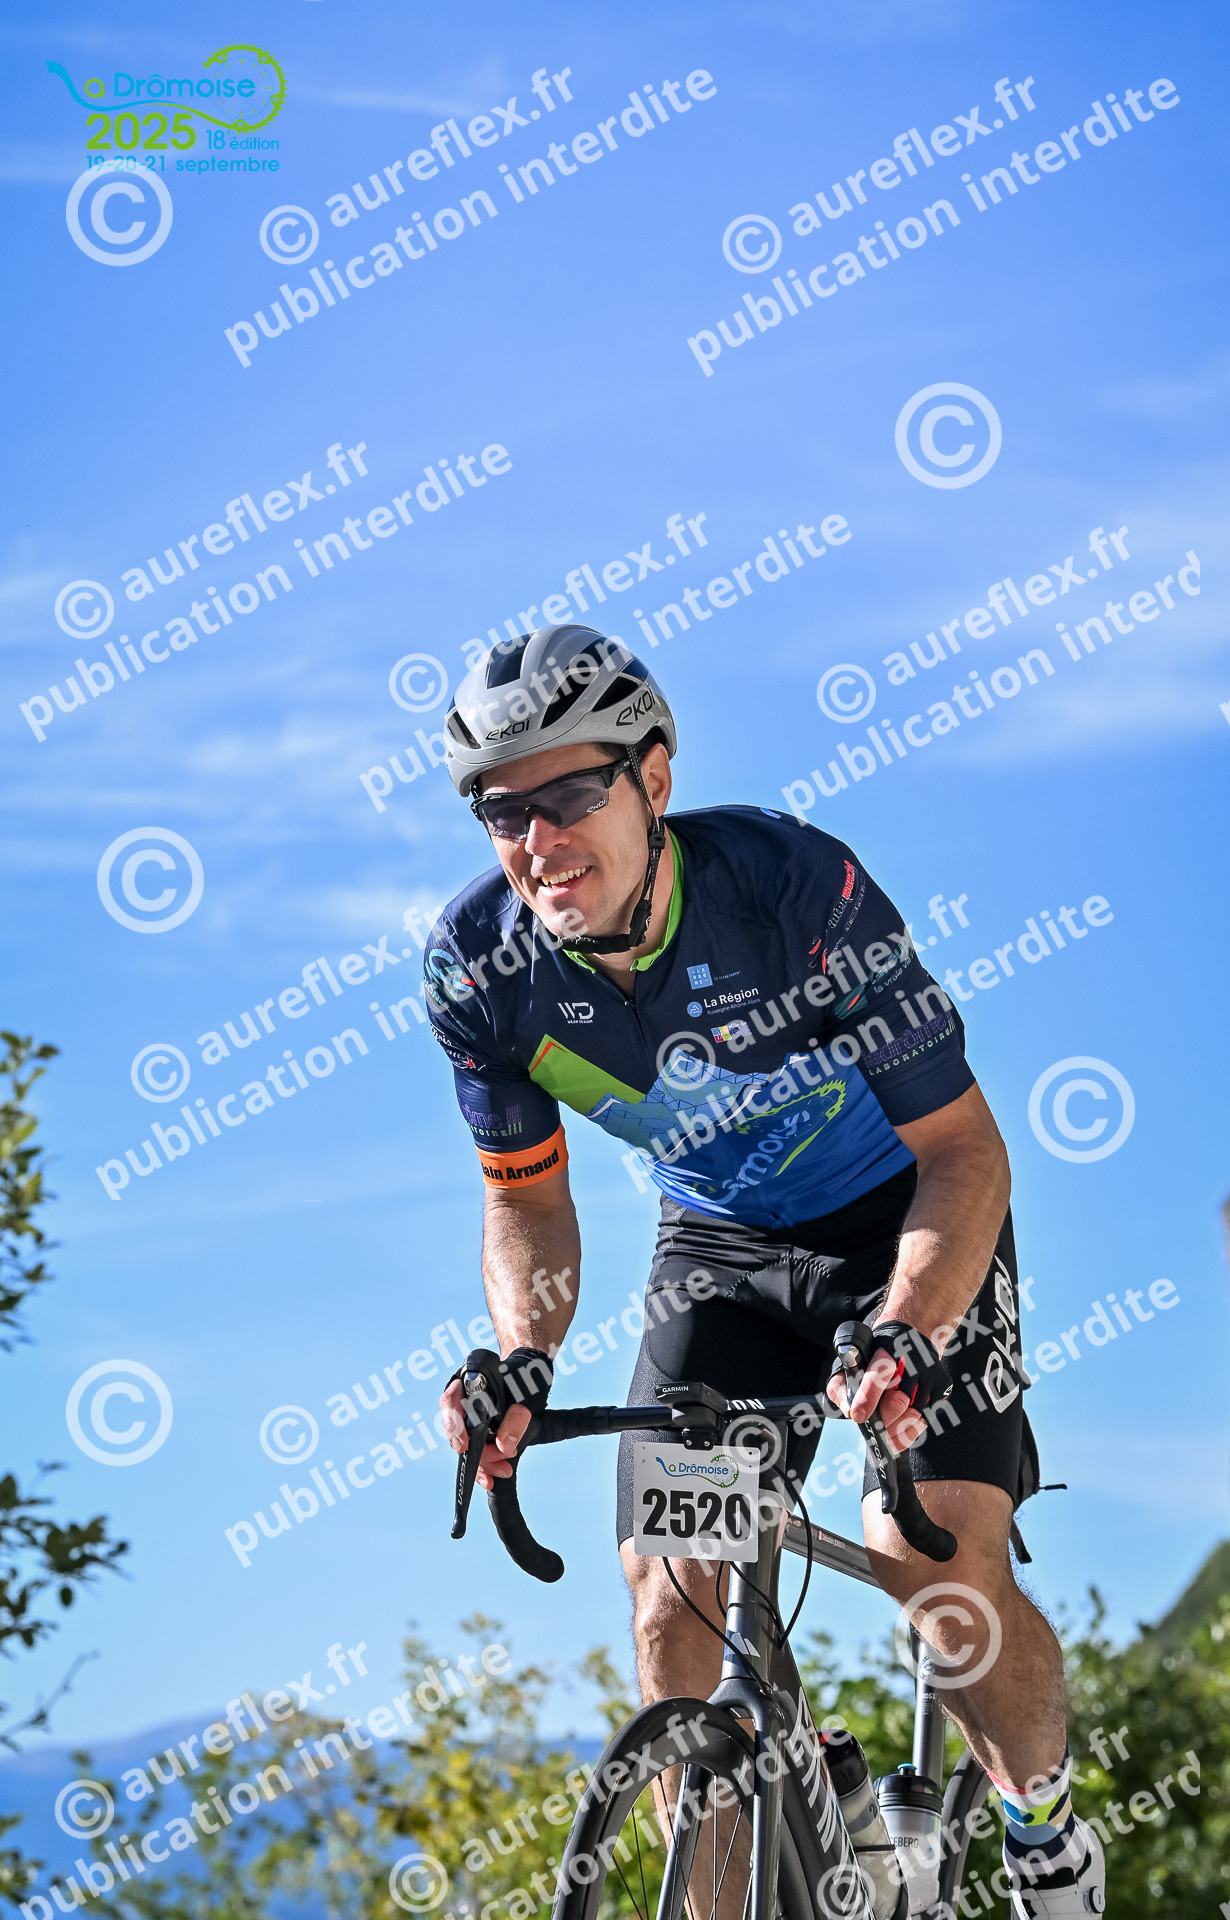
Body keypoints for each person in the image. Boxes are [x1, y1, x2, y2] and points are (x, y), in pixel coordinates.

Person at [431, 626, 1103, 1919]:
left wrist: (909, 1330)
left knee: (929, 1557)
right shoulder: (480, 968)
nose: (539, 840)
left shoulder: (797, 892)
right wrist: (522, 1356)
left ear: (654, 780)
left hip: (902, 1219)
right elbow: (524, 1203)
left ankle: (1045, 1836)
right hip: (720, 1253)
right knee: (670, 1596)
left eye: (570, 795)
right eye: (503, 812)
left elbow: (965, 1151)